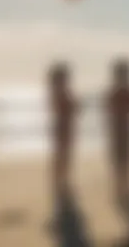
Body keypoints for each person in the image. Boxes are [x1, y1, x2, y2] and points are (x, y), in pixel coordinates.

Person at [105, 58, 129, 203]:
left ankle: (124, 185)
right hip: (120, 128)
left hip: (125, 128)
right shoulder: (116, 92)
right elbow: (110, 110)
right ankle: (121, 186)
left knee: (126, 158)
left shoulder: (125, 92)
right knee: (121, 159)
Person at [48, 62, 79, 197]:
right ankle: (60, 183)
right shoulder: (60, 93)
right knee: (62, 157)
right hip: (62, 128)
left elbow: (72, 109)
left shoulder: (60, 93)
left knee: (63, 157)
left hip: (64, 128)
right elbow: (69, 110)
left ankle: (61, 182)